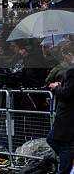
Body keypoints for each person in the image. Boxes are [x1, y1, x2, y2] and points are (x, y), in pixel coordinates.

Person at [46, 42, 74, 174]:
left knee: (62, 145)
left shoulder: (72, 70)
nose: (65, 59)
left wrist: (56, 87)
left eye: (65, 56)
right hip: (67, 114)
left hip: (67, 114)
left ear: (69, 54)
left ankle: (65, 170)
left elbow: (67, 93)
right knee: (54, 140)